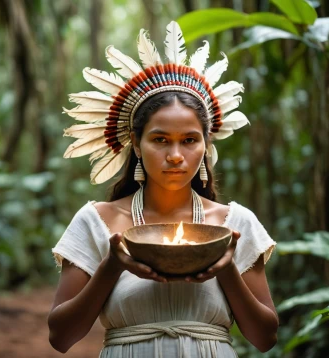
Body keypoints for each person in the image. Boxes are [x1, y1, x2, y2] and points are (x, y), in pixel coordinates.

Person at [48, 21, 278, 357]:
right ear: (137, 146)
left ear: (205, 144)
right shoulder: (97, 222)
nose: (175, 156)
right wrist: (112, 265)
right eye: (160, 140)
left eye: (189, 140)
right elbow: (60, 337)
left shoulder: (235, 224)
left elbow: (265, 338)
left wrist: (226, 266)